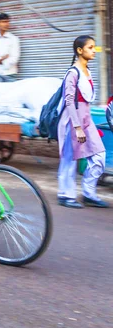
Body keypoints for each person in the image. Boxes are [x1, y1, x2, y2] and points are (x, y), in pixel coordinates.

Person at [57, 35, 109, 209]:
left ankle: (88, 193)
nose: (94, 50)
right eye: (90, 47)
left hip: (86, 119)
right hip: (73, 121)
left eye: (94, 47)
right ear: (80, 51)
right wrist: (77, 127)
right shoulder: (72, 73)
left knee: (99, 156)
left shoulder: (88, 71)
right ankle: (65, 195)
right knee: (70, 159)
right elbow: (69, 101)